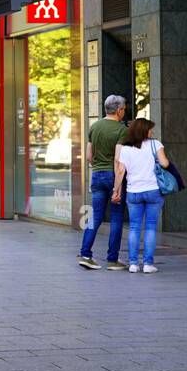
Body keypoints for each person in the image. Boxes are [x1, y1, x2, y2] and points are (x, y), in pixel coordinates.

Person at [79, 94, 130, 270]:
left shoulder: (95, 127)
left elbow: (88, 156)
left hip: (97, 175)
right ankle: (112, 260)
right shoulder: (121, 130)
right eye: (124, 109)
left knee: (95, 216)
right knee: (116, 218)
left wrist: (98, 167)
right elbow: (118, 160)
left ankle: (86, 254)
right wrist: (117, 186)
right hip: (113, 175)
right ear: (118, 110)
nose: (124, 112)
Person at [112, 117, 169, 273]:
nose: (152, 131)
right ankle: (148, 264)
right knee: (150, 228)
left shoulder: (126, 149)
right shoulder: (155, 144)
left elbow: (120, 171)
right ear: (144, 130)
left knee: (134, 228)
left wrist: (115, 190)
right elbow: (165, 164)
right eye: (150, 129)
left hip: (133, 192)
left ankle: (133, 264)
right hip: (153, 191)